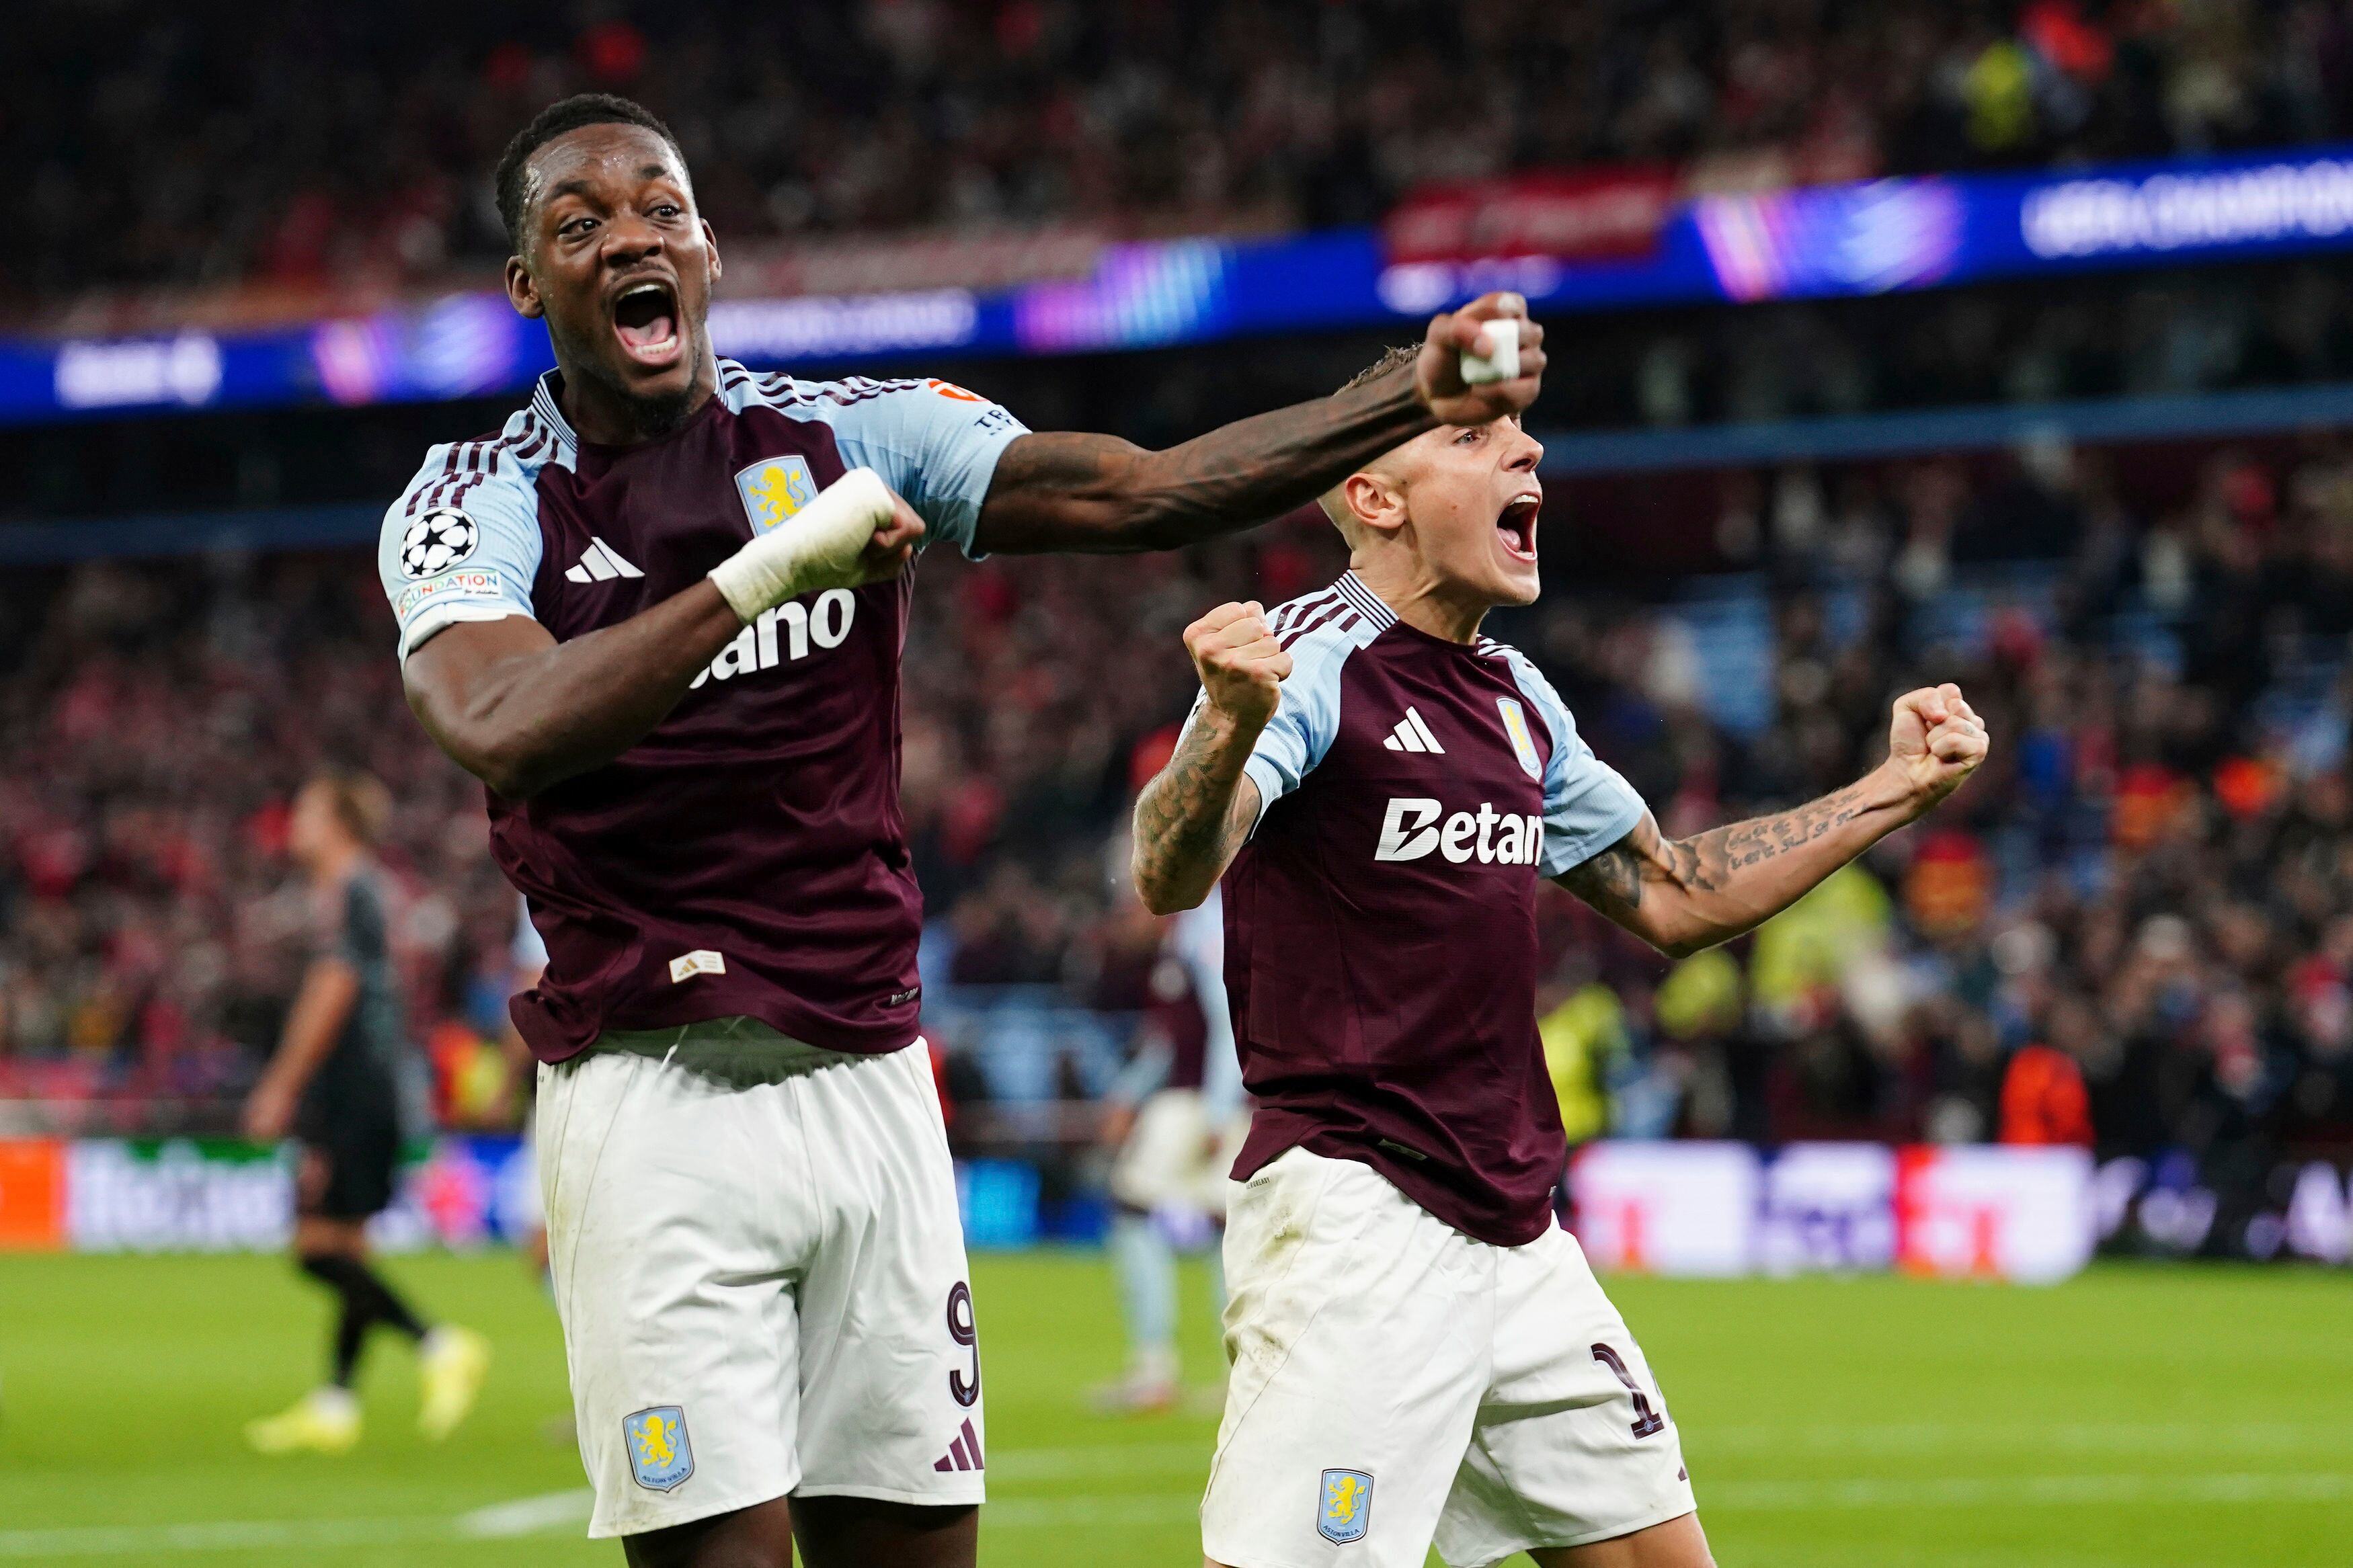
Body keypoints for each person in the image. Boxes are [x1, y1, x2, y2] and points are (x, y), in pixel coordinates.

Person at [381, 92, 1544, 1568]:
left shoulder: (853, 428)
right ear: (526, 285)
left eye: (662, 209)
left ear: (710, 250)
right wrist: (774, 564)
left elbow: (1143, 489)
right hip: (651, 1095)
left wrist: (1408, 394)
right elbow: (502, 719)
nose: (631, 237)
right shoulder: (473, 497)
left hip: (875, 1086)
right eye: (581, 222)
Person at [1129, 343, 1989, 1568]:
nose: (1528, 450)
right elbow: (1170, 868)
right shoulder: (1307, 659)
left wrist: (1896, 785)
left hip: (1514, 1225)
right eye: (1477, 437)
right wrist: (1224, 727)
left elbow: (1668, 888)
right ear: (1375, 498)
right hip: (1359, 1216)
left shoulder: (1516, 695)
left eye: (1523, 432)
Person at [241, 773, 491, 1454]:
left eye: (305, 809)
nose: (293, 821)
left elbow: (334, 986)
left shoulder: (352, 888)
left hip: (354, 1093)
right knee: (348, 1248)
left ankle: (438, 1341)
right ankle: (336, 1402)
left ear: (338, 823)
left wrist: (281, 1084)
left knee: (315, 1250)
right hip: (369, 1090)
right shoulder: (362, 889)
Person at [1094, 881, 1246, 1414]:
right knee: (1225, 1233)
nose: (1127, 918)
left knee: (1132, 1209)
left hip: (1195, 1106)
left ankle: (1154, 1368)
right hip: (1197, 1101)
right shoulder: (1182, 940)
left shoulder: (1205, 927)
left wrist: (1221, 1109)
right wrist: (1128, 1093)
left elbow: (1230, 1022)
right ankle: (1241, 1375)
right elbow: (1171, 1038)